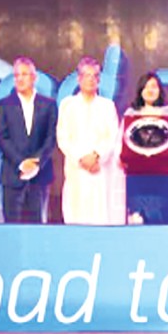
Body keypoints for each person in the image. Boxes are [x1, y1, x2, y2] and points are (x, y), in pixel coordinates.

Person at [116, 72, 168, 224]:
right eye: (146, 87)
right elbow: (121, 142)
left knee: (163, 219)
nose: (150, 90)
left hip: (162, 176)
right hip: (137, 177)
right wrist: (121, 157)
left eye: (154, 87)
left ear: (160, 91)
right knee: (137, 220)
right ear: (140, 91)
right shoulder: (131, 115)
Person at [57, 56, 120, 225]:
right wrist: (81, 159)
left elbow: (112, 136)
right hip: (76, 169)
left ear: (99, 80)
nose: (91, 80)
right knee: (75, 216)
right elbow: (62, 137)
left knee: (100, 216)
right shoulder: (68, 105)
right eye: (87, 75)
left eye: (95, 76)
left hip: (99, 170)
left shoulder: (107, 106)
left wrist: (96, 156)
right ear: (79, 79)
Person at [0, 57, 57, 223]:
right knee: (12, 229)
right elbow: (1, 137)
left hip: (40, 176)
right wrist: (22, 162)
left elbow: (51, 138)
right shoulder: (4, 105)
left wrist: (36, 162)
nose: (20, 79)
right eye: (16, 75)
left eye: (24, 74)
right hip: (12, 175)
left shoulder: (49, 105)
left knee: (37, 227)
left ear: (34, 78)